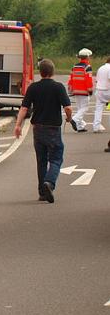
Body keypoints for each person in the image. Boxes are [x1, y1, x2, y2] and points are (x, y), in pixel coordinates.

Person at [14, 59, 73, 204]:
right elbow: (68, 108)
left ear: (40, 72)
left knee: (41, 160)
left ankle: (42, 192)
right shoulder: (58, 87)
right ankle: (49, 183)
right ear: (52, 72)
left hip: (38, 129)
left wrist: (18, 125)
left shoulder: (33, 87)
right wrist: (69, 119)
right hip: (53, 128)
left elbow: (24, 108)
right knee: (56, 158)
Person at [67, 48, 93, 132]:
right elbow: (88, 80)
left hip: (76, 91)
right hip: (84, 91)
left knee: (79, 108)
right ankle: (74, 119)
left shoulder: (74, 66)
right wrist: (90, 90)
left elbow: (71, 79)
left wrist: (70, 89)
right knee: (84, 108)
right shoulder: (87, 67)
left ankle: (80, 126)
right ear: (87, 57)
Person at [91, 55, 110, 133]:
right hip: (108, 90)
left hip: (99, 90)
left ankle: (96, 127)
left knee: (98, 109)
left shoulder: (101, 68)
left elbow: (97, 80)